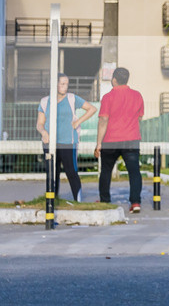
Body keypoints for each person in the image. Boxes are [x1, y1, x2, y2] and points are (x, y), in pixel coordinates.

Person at [36, 74, 96, 203]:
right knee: (52, 174)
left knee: (72, 172)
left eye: (66, 84)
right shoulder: (45, 101)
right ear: (55, 85)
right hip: (50, 144)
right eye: (62, 84)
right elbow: (40, 123)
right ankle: (52, 202)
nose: (65, 87)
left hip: (68, 143)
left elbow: (92, 109)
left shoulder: (72, 98)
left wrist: (78, 121)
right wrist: (43, 132)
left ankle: (78, 201)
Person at [95, 67, 145, 212]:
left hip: (110, 140)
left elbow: (103, 120)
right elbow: (140, 117)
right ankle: (135, 202)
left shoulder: (107, 97)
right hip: (131, 139)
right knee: (134, 172)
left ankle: (105, 200)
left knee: (106, 171)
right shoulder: (137, 96)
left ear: (114, 80)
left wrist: (99, 143)